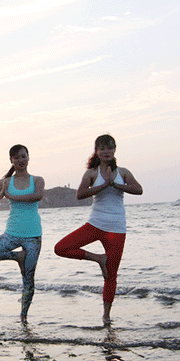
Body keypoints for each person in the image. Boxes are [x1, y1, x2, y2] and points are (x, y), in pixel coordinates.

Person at [54, 134, 143, 321]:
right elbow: (80, 194)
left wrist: (115, 184)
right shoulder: (92, 173)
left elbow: (138, 189)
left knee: (111, 276)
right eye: (102, 148)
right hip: (95, 224)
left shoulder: (123, 172)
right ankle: (98, 258)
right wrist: (104, 185)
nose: (106, 151)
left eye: (109, 148)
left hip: (116, 229)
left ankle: (106, 316)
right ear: (97, 151)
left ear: (114, 150)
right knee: (60, 248)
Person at [0, 144, 45, 320]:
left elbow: (37, 196)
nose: (21, 160)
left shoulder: (37, 180)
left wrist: (11, 196)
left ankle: (23, 318)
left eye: (23, 156)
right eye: (17, 157)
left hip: (33, 236)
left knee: (28, 280)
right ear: (11, 160)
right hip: (11, 235)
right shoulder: (7, 182)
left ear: (28, 158)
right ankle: (16, 257)